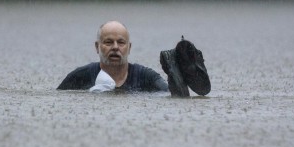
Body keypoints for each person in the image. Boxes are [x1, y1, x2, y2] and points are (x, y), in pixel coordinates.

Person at [57, 20, 211, 97]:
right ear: (97, 47)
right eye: (109, 42)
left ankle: (181, 70)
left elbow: (165, 94)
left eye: (121, 42)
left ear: (129, 48)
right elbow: (56, 98)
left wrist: (177, 93)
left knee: (171, 94)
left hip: (156, 91)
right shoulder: (79, 77)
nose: (115, 47)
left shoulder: (146, 76)